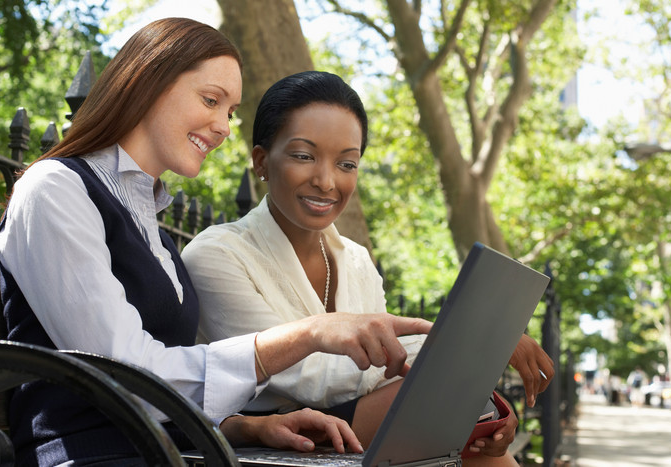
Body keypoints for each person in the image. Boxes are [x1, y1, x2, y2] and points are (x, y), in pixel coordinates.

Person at [0, 18, 433, 465]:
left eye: (230, 111)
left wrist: (245, 426)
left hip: (175, 452)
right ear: (148, 81)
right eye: (211, 100)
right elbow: (122, 376)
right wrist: (309, 334)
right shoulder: (55, 189)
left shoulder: (158, 238)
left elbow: (166, 385)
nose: (225, 127)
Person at [181, 70, 555, 464]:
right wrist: (476, 344)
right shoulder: (216, 255)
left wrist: (485, 403)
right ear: (261, 161)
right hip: (267, 439)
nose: (327, 181)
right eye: (304, 156)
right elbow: (312, 378)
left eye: (347, 164)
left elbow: (387, 369)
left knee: (477, 434)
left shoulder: (357, 260)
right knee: (440, 400)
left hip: (359, 429)